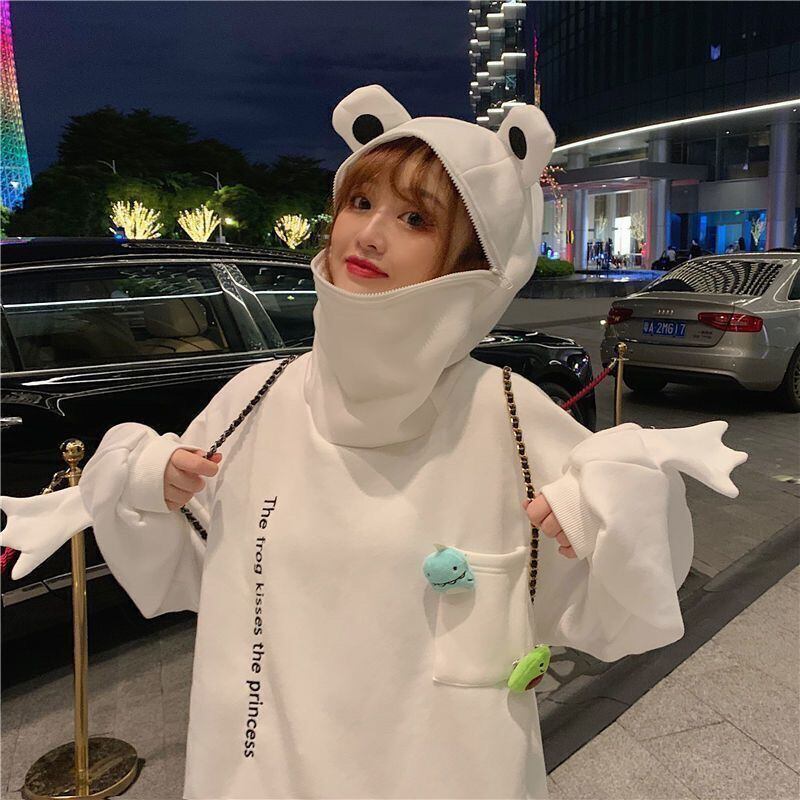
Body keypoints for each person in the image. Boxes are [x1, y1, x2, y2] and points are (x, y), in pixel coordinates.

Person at [0, 84, 749, 800]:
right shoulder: (259, 398)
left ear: (473, 262)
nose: (369, 232)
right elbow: (181, 566)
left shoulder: (507, 412)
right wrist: (145, 481)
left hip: (443, 770)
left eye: (416, 219)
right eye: (360, 202)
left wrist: (608, 506)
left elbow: (628, 603)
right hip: (265, 764)